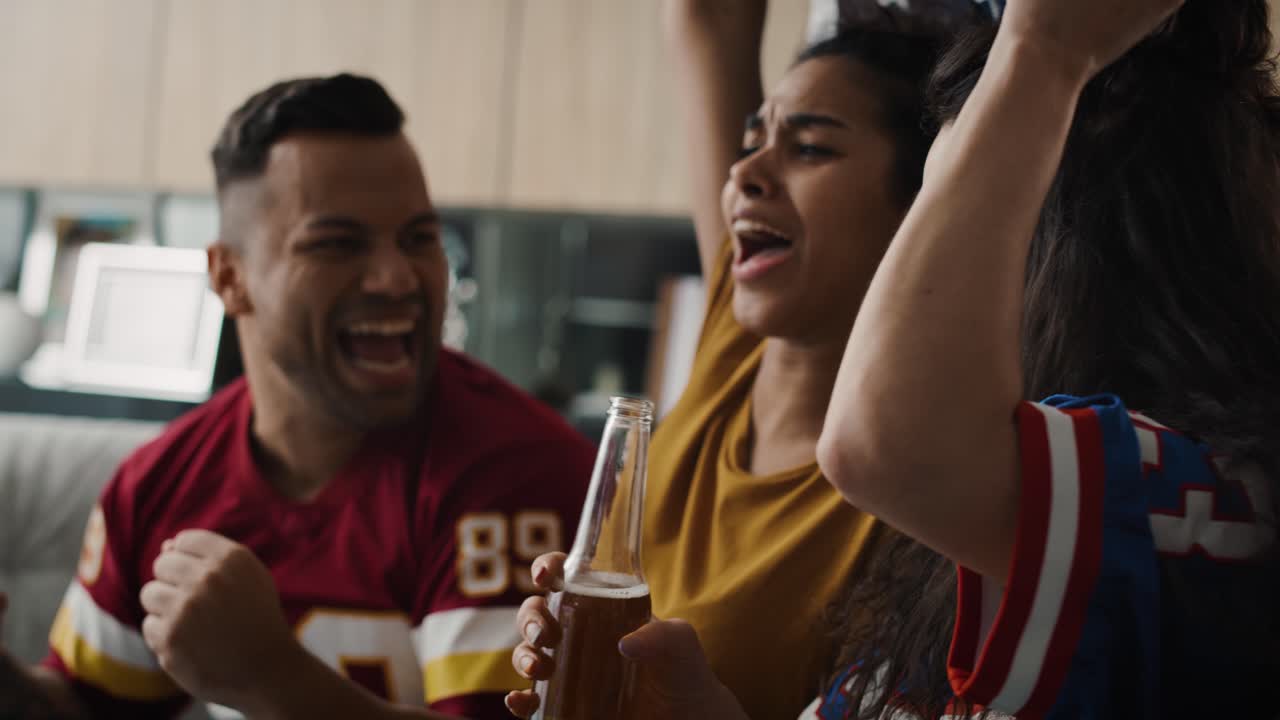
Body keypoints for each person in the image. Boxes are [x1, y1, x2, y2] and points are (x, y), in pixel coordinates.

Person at [513, 0, 1280, 717]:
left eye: (955, 179)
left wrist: (1042, 53)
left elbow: (881, 445)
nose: (743, 176)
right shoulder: (949, 549)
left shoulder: (1198, 504)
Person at [0, 74, 594, 720]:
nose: (399, 277)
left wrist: (272, 678)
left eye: (420, 238)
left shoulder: (516, 470)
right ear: (230, 277)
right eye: (338, 244)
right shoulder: (158, 484)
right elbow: (86, 709)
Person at [507, 1, 966, 717]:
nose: (746, 170)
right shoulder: (740, 327)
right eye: (753, 138)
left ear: (925, 205)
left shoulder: (922, 488)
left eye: (811, 147)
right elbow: (705, 15)